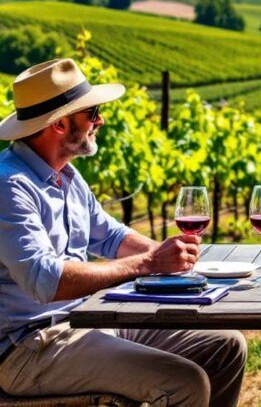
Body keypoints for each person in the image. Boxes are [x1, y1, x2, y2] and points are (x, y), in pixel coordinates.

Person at [0, 59, 246, 407]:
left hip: (86, 323)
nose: (99, 120)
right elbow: (45, 280)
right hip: (31, 348)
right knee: (183, 382)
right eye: (92, 112)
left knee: (225, 346)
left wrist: (175, 256)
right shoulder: (9, 185)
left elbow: (112, 237)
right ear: (58, 124)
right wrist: (149, 263)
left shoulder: (66, 175)